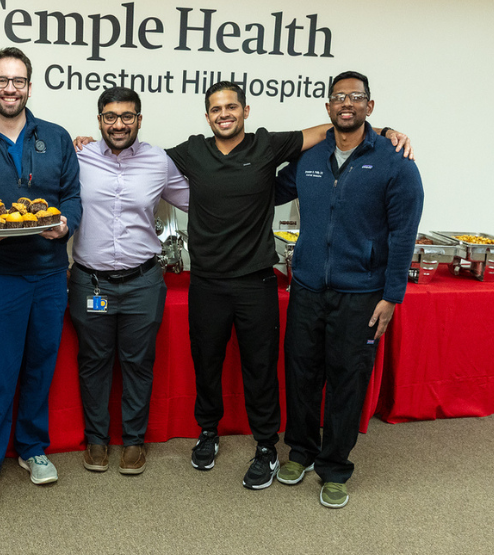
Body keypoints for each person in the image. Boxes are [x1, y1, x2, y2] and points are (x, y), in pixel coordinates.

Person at [165, 81, 412, 490]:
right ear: (207, 116)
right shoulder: (194, 151)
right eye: (216, 109)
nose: (224, 113)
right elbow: (138, 156)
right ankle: (220, 435)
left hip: (265, 283)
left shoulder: (272, 147)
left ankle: (274, 449)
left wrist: (384, 131)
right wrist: (92, 142)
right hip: (221, 283)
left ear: (246, 110)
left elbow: (331, 128)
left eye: (231, 106)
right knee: (222, 365)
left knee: (266, 371)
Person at [274, 71, 423, 508]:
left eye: (356, 97)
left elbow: (403, 234)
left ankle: (335, 467)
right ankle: (300, 451)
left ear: (370, 108)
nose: (347, 104)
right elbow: (264, 189)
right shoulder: (310, 158)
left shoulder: (396, 162)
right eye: (339, 97)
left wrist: (392, 295)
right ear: (327, 108)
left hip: (361, 294)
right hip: (306, 287)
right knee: (301, 374)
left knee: (347, 380)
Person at [0, 47, 82, 508]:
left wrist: (66, 224)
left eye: (18, 80)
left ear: (29, 85)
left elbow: (72, 198)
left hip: (49, 276)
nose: (10, 88)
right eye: (2, 81)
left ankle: (32, 448)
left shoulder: (58, 138)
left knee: (40, 366)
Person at [69, 87, 188, 475]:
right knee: (94, 362)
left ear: (139, 119)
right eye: (110, 117)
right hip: (92, 284)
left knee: (138, 363)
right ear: (99, 119)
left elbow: (196, 197)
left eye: (127, 116)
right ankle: (97, 440)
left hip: (142, 282)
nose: (118, 124)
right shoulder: (79, 156)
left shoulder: (159, 161)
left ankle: (134, 441)